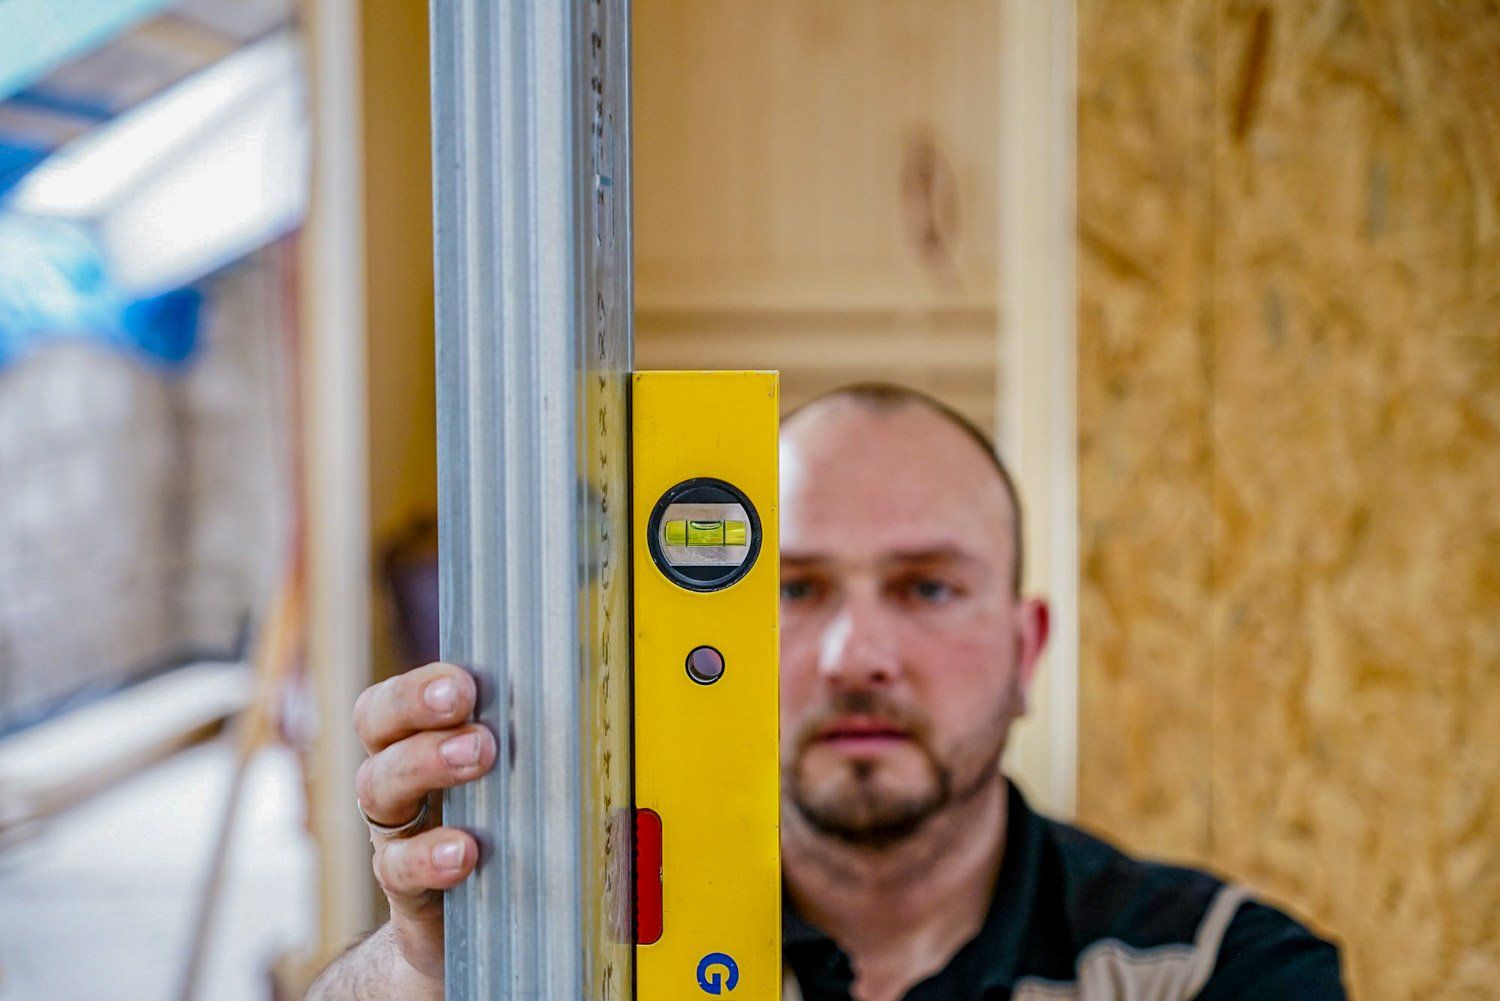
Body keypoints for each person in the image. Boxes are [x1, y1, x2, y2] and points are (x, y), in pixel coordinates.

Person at [310, 384, 1346, 1000]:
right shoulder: (604, 951)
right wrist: (425, 969)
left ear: (1027, 649)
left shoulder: (1215, 968)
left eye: (927, 586)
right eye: (797, 587)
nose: (858, 652)